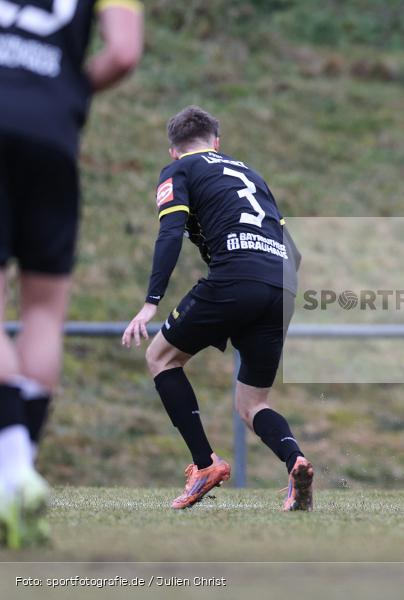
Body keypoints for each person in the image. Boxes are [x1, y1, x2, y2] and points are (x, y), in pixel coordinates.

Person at [0, 0, 143, 549]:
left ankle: (12, 471)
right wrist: (64, 91)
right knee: (43, 313)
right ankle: (18, 479)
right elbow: (124, 52)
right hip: (51, 132)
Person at [121, 106, 312, 512]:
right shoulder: (250, 173)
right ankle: (295, 462)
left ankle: (205, 464)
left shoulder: (179, 171)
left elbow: (171, 231)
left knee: (160, 357)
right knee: (252, 404)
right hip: (282, 284)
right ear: (217, 142)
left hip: (236, 276)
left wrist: (150, 302)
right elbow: (291, 248)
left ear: (174, 151)